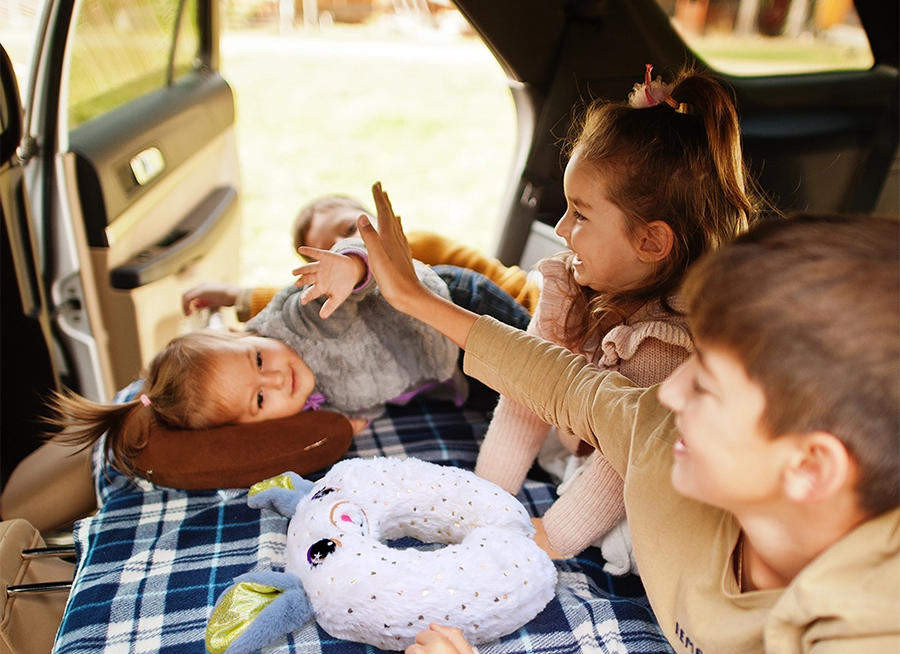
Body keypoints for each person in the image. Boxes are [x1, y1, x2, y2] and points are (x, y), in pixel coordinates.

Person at [359, 181, 900, 654]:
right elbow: (564, 383)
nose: (669, 388)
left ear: (810, 468)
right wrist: (417, 301)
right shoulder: (660, 432)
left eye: (706, 385)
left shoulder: (879, 633)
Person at [473, 64, 765, 561]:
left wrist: (553, 538)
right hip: (580, 441)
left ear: (651, 241)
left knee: (633, 539)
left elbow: (622, 458)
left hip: (640, 466)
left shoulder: (668, 344)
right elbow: (525, 391)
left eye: (580, 214)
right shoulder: (570, 282)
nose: (562, 229)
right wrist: (484, 497)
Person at [49, 238, 459, 479]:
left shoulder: (303, 324)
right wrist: (348, 422)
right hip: (440, 367)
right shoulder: (298, 409)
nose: (278, 380)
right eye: (259, 400)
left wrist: (352, 268)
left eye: (259, 361)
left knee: (519, 349)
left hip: (452, 305)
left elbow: (345, 261)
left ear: (241, 333)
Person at [181, 193, 541, 322]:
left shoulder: (416, 244)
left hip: (528, 306)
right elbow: (309, 298)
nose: (344, 243)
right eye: (330, 247)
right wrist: (239, 298)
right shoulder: (361, 290)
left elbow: (499, 286)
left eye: (346, 227)